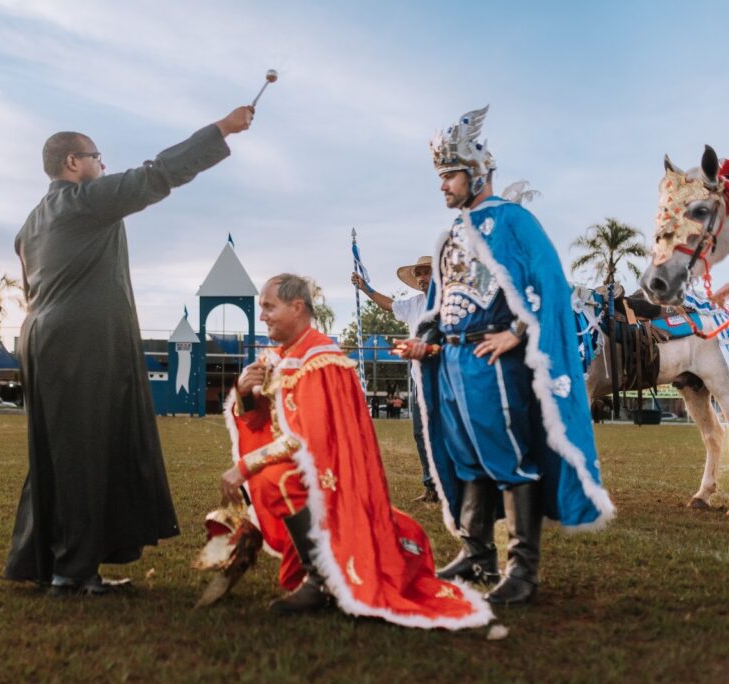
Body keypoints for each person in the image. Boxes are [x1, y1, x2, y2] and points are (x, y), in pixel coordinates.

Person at [5, 104, 255, 595]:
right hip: (80, 341)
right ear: (73, 163)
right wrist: (222, 129)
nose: (103, 164)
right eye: (96, 156)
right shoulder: (84, 201)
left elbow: (32, 286)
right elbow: (156, 174)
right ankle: (72, 573)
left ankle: (50, 561)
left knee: (58, 452)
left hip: (41, 337)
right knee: (85, 452)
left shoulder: (31, 223)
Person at [397, 106, 615, 605]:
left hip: (491, 364)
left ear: (477, 173)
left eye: (450, 174)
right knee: (467, 459)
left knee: (507, 458)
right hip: (451, 363)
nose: (442, 184)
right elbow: (440, 305)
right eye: (441, 175)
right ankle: (477, 553)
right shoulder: (450, 234)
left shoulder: (514, 221)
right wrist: (426, 344)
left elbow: (548, 281)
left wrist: (517, 332)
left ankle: (522, 568)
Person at [219, 274, 493, 628]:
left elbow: (305, 440)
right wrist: (244, 393)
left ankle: (321, 579)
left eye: (269, 307)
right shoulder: (279, 358)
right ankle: (289, 550)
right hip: (307, 466)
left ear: (296, 307)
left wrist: (246, 465)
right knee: (270, 477)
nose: (263, 316)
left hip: (331, 471)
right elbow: (260, 423)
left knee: (275, 477)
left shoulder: (320, 360)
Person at [352, 256, 437, 502]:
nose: (422, 278)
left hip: (446, 379)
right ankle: (431, 487)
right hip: (420, 379)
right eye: (419, 274)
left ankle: (454, 486)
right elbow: (387, 304)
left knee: (448, 433)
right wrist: (365, 287)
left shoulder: (449, 302)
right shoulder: (414, 304)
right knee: (421, 433)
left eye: (427, 272)